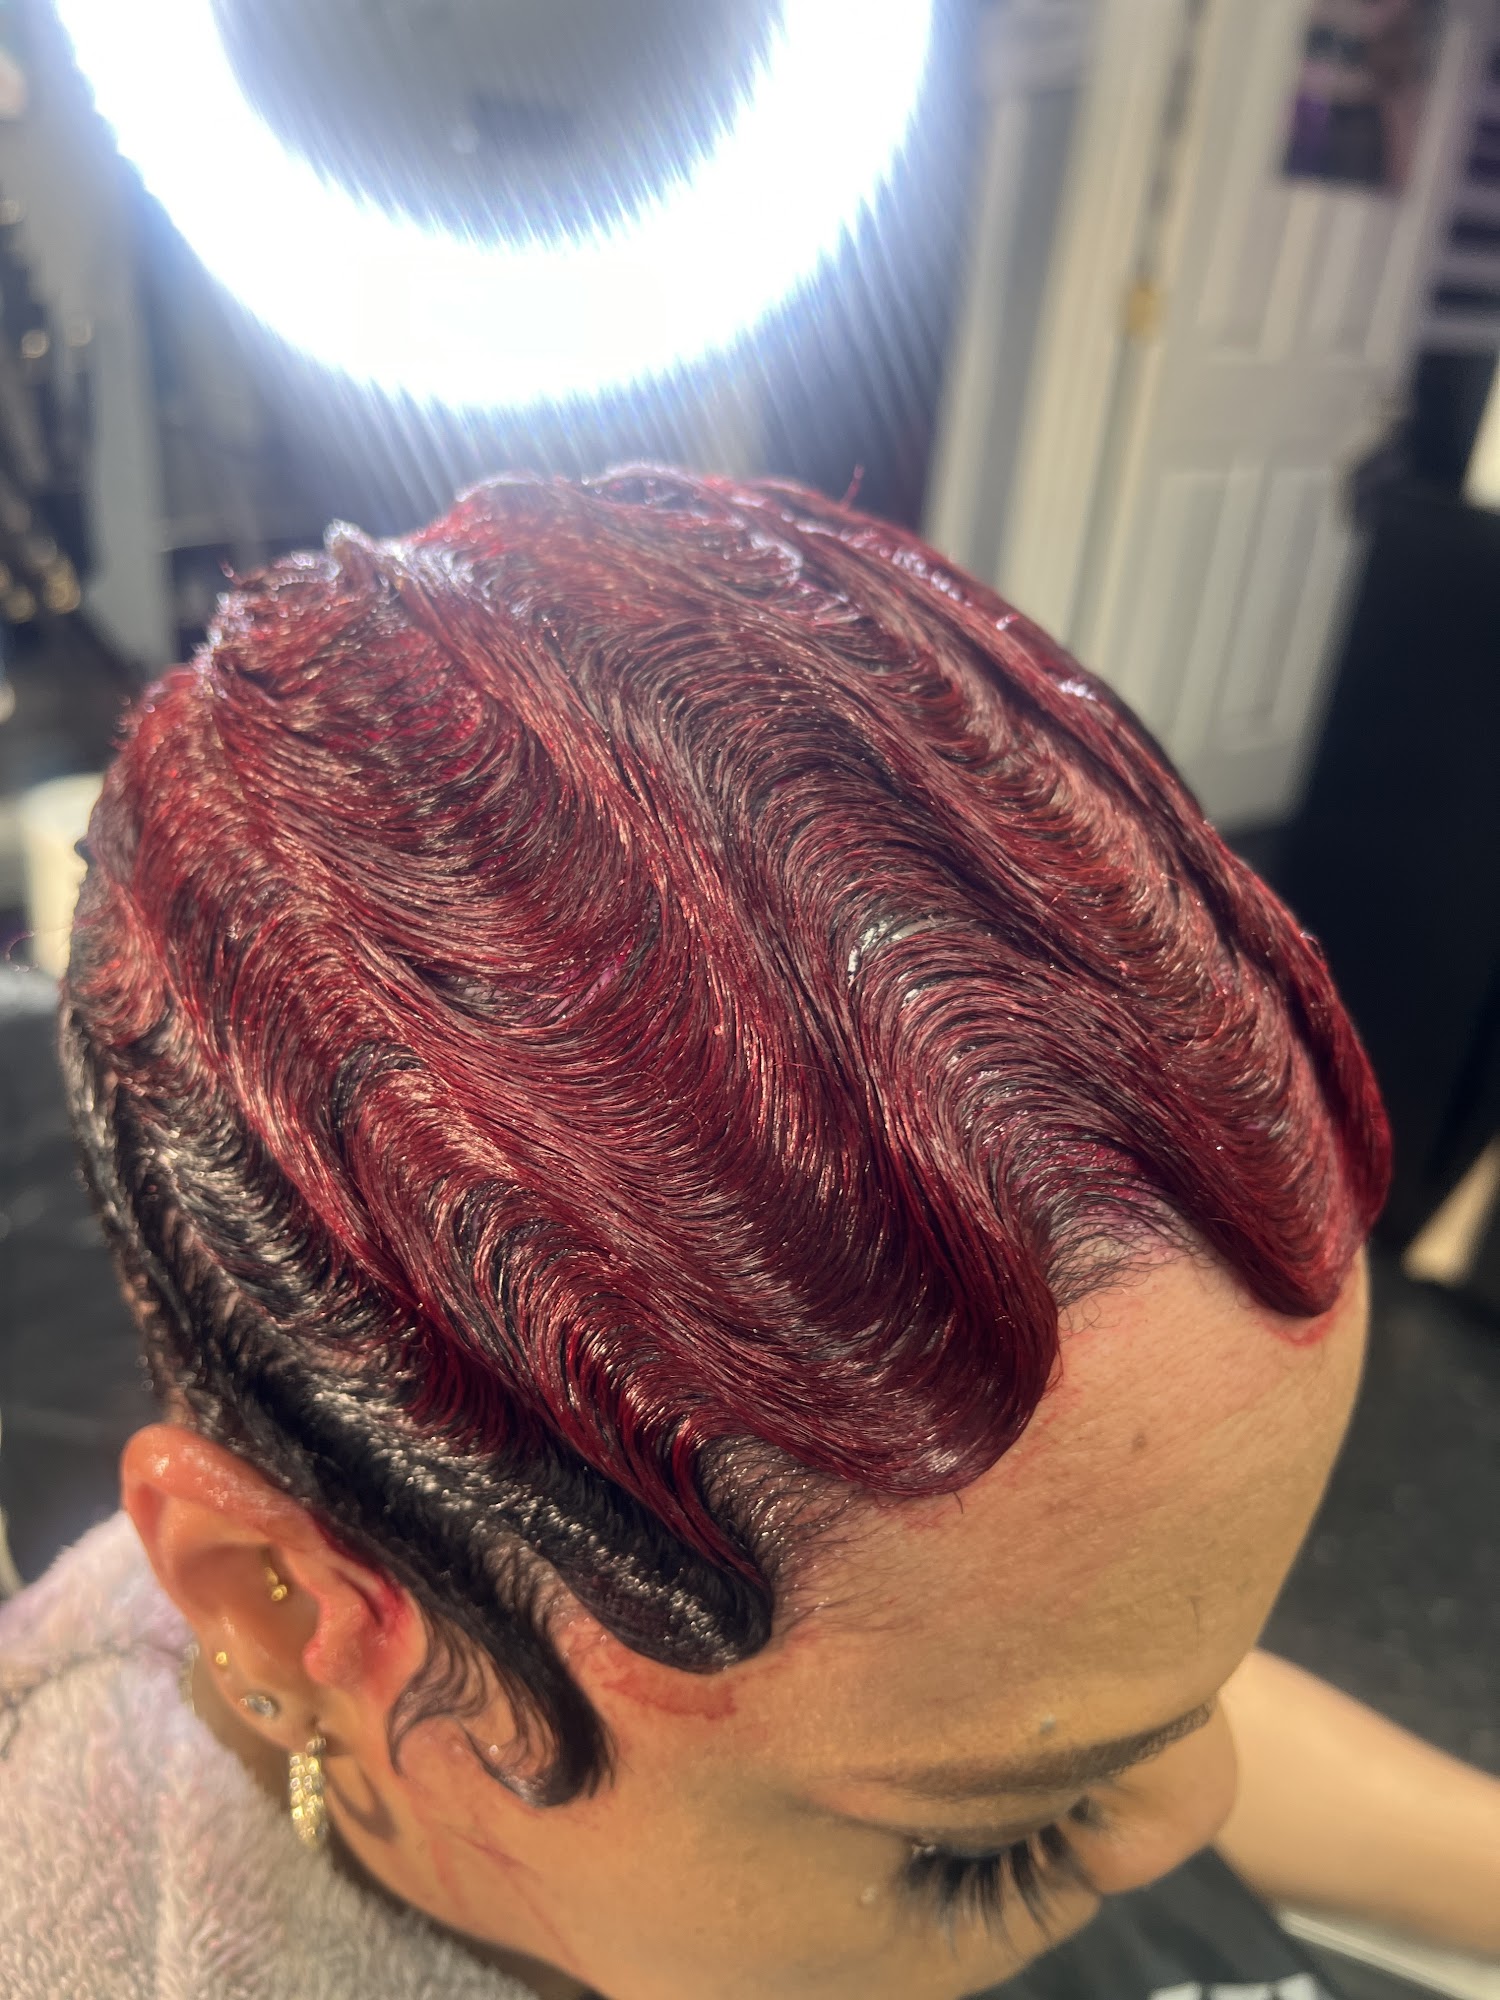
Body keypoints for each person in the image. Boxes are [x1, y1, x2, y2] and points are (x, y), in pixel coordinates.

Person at [1, 469, 1496, 2000]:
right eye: (979, 1845)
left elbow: (1096, 1699)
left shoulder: (939, 1702)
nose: (1200, 1812)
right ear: (274, 1605)